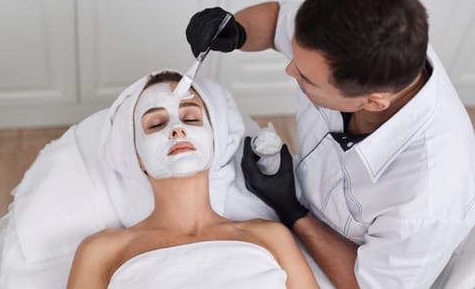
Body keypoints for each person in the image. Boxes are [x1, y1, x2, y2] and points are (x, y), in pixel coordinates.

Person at [185, 0, 475, 288]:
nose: (290, 70)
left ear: (373, 101)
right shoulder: (356, 36)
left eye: (306, 78)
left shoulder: (426, 198)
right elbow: (277, 23)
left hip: (347, 267)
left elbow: (364, 284)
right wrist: (237, 31)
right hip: (309, 199)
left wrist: (293, 211)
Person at [66, 71, 318, 289]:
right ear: (137, 157)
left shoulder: (270, 235)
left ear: (214, 140)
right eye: (156, 124)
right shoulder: (102, 250)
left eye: (190, 118)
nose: (177, 128)